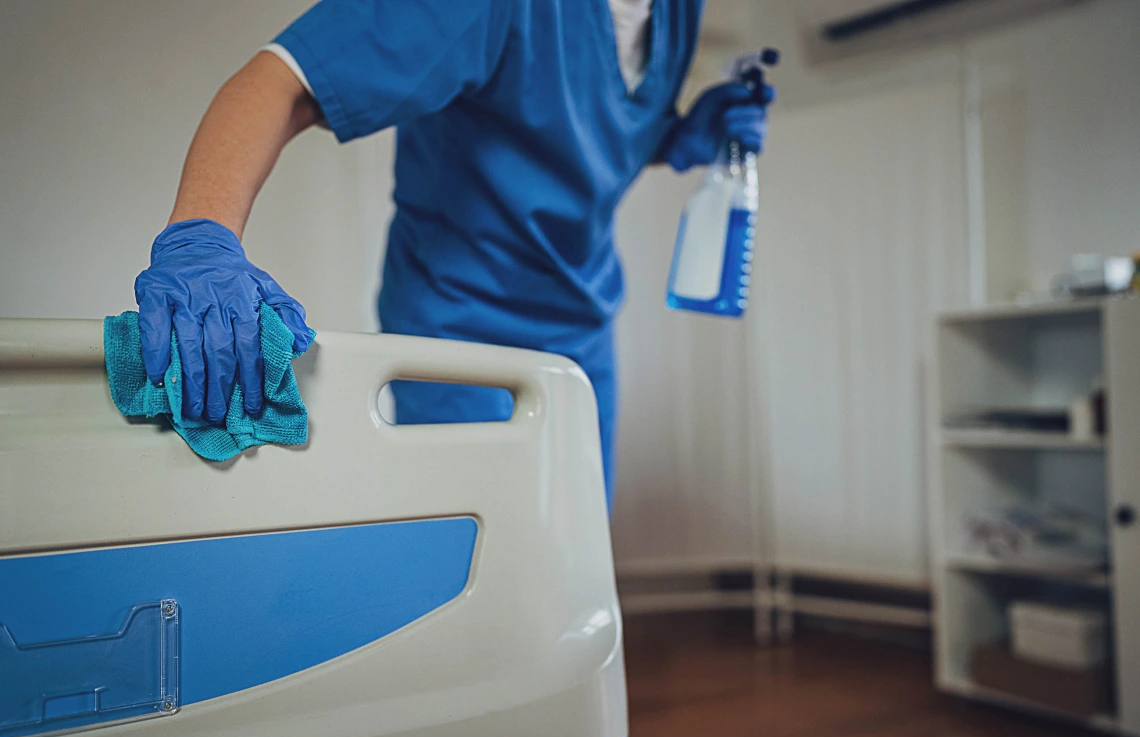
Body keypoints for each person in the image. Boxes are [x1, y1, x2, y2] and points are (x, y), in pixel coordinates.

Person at [134, 0, 772, 510]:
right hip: (459, 317)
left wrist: (674, 137)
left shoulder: (678, 9)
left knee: (573, 567)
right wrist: (204, 235)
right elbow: (283, 82)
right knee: (480, 571)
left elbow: (567, 119)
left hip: (583, 317)